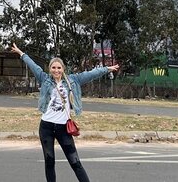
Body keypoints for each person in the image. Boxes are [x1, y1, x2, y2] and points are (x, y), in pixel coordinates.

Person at [10, 43, 119, 182]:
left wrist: (107, 68)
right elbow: (33, 65)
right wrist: (21, 53)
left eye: (59, 68)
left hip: (63, 128)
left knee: (75, 162)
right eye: (53, 68)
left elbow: (91, 74)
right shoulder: (44, 79)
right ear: (50, 69)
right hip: (46, 127)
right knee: (49, 162)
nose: (56, 70)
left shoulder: (73, 80)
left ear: (63, 69)